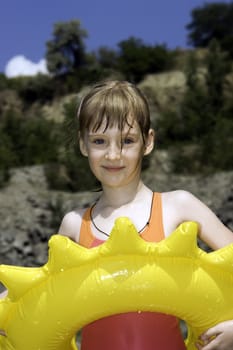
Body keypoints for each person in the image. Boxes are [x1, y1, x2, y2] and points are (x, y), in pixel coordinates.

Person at [58, 80, 233, 350]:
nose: (113, 154)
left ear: (148, 142)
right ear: (83, 145)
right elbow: (38, 293)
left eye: (127, 141)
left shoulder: (180, 207)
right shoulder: (73, 225)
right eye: (99, 141)